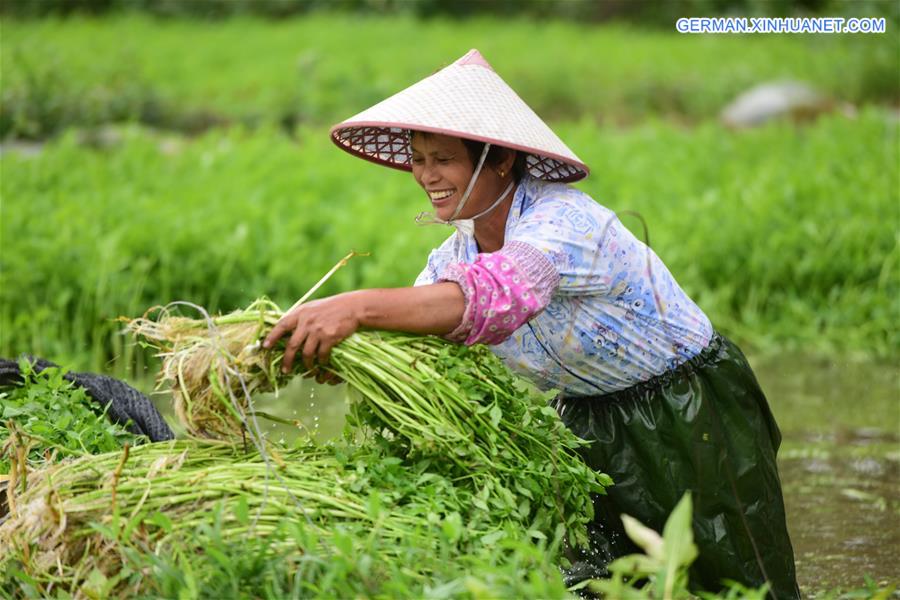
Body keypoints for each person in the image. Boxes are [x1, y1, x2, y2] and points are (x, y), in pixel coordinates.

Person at [263, 49, 799, 598]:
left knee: (732, 580)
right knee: (602, 585)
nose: (426, 175)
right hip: (588, 422)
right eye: (418, 158)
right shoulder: (449, 262)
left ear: (499, 160)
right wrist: (350, 353)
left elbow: (499, 294)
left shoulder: (564, 221)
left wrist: (353, 308)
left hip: (691, 409)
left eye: (443, 158)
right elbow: (420, 332)